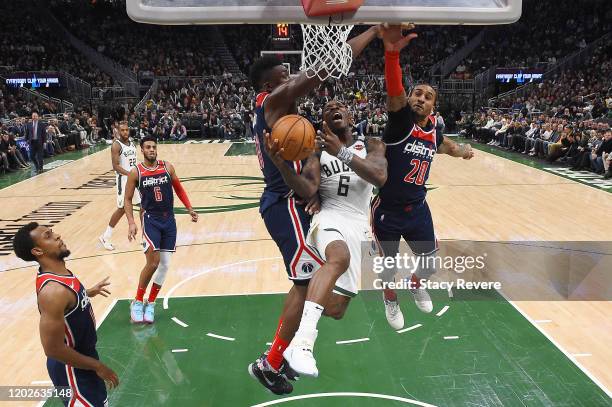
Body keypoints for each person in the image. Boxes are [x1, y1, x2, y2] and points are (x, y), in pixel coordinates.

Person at [246, 26, 381, 395]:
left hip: (298, 203)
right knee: (306, 283)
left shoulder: (290, 116)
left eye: (290, 74)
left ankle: (281, 357)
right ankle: (273, 361)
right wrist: (372, 32)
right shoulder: (269, 104)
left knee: (333, 302)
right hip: (284, 204)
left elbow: (332, 64)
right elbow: (326, 67)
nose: (290, 78)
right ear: (268, 85)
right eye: (283, 76)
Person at [375, 25, 474, 330]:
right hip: (387, 212)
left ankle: (416, 283)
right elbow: (394, 90)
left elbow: (450, 147)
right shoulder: (400, 121)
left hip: (418, 209)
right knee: (387, 271)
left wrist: (465, 152)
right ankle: (390, 297)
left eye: (427, 96)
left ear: (434, 106)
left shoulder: (434, 132)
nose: (420, 98)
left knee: (430, 264)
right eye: (416, 93)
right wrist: (392, 56)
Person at [281, 100, 387, 377]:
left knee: (337, 308)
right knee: (338, 257)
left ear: (351, 116)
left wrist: (340, 151)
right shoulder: (315, 152)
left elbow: (379, 176)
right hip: (328, 217)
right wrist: (288, 171)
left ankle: (301, 300)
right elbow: (307, 187)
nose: (334, 108)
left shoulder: (372, 144)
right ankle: (303, 343)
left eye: (340, 105)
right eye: (327, 107)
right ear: (323, 122)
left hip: (358, 225)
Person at [13, 222, 119, 406]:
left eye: (52, 232)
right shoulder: (53, 292)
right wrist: (98, 366)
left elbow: (69, 301)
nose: (57, 236)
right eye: (48, 236)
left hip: (82, 361)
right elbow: (52, 349)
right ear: (37, 251)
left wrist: (87, 292)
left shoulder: (60, 272)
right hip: (71, 370)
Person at [123, 136, 198, 324]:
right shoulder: (136, 172)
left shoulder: (167, 167)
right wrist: (131, 222)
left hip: (169, 220)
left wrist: (189, 208)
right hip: (150, 219)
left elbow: (179, 189)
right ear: (142, 150)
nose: (152, 150)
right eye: (148, 147)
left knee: (164, 265)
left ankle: (151, 303)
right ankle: (138, 301)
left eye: (154, 147)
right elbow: (128, 199)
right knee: (153, 262)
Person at [99, 121, 141, 251]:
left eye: (127, 130)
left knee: (142, 206)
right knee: (122, 209)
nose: (125, 132)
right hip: (124, 180)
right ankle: (105, 236)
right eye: (122, 130)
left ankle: (146, 237)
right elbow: (116, 166)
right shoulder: (116, 145)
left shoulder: (133, 143)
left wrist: (138, 172)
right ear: (118, 131)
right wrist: (130, 174)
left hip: (134, 178)